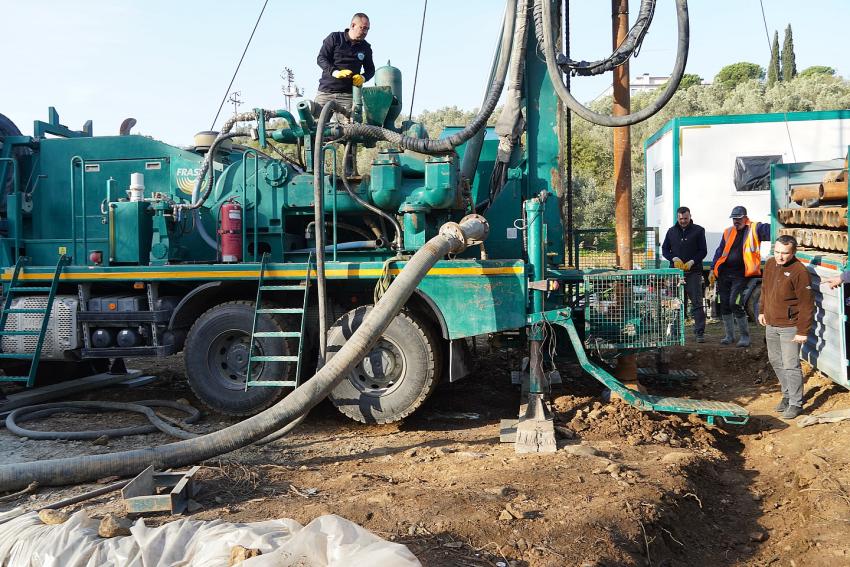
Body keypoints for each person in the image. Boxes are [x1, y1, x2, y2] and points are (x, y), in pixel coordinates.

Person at [758, 235, 813, 419]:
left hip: (790, 326)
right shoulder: (771, 264)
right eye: (777, 252)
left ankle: (796, 403)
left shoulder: (800, 271)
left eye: (785, 253)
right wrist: (762, 311)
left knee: (791, 364)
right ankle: (787, 394)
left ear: (793, 252)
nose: (780, 257)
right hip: (771, 322)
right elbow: (765, 289)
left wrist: (803, 331)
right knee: (775, 360)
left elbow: (806, 304)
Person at [710, 205, 771, 347]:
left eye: (738, 218)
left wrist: (777, 221)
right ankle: (729, 336)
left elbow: (770, 231)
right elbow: (720, 252)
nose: (735, 221)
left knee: (735, 303)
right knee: (724, 304)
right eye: (733, 219)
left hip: (741, 275)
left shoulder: (755, 229)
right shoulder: (728, 232)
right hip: (724, 274)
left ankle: (745, 337)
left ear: (745, 217)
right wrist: (713, 269)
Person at [661, 206, 707, 342]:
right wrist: (673, 259)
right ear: (677, 218)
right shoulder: (671, 232)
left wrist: (692, 261)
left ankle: (699, 333)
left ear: (690, 216)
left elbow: (703, 251)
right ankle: (675, 332)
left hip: (693, 272)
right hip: (676, 273)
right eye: (681, 219)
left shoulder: (699, 230)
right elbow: (665, 249)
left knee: (697, 303)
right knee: (676, 303)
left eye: (686, 218)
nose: (683, 221)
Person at [315, 13, 375, 114]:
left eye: (367, 29)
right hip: (325, 93)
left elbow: (370, 70)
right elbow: (321, 58)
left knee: (350, 128)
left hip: (348, 96)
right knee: (316, 127)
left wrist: (363, 78)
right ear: (352, 25)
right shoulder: (335, 38)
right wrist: (335, 72)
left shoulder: (366, 48)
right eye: (363, 28)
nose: (365, 32)